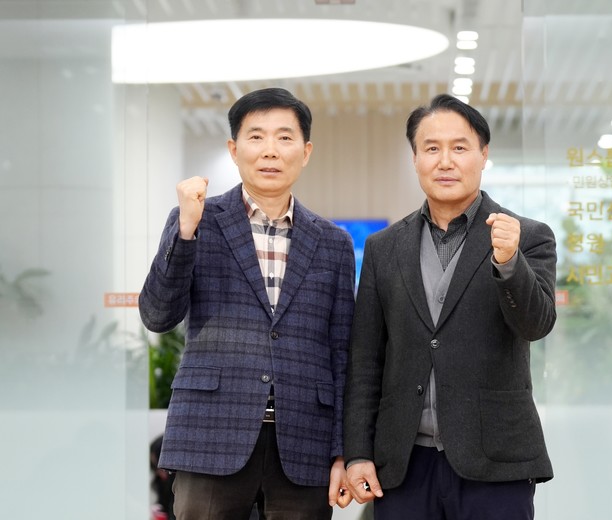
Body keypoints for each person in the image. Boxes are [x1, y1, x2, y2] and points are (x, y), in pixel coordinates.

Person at [139, 87, 356, 519]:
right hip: (210, 436)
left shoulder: (333, 243)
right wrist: (185, 233)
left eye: (284, 137)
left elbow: (341, 353)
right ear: (234, 150)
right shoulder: (197, 220)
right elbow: (158, 315)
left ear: (306, 152)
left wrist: (342, 451)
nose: (270, 150)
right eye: (256, 137)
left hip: (304, 443)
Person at [343, 94, 557, 520]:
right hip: (404, 463)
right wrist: (358, 453)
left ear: (483, 155)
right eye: (431, 148)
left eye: (459, 147)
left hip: (496, 462)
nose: (445, 161)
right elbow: (366, 359)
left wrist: (509, 263)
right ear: (415, 159)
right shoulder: (384, 248)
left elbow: (536, 324)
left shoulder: (527, 236)